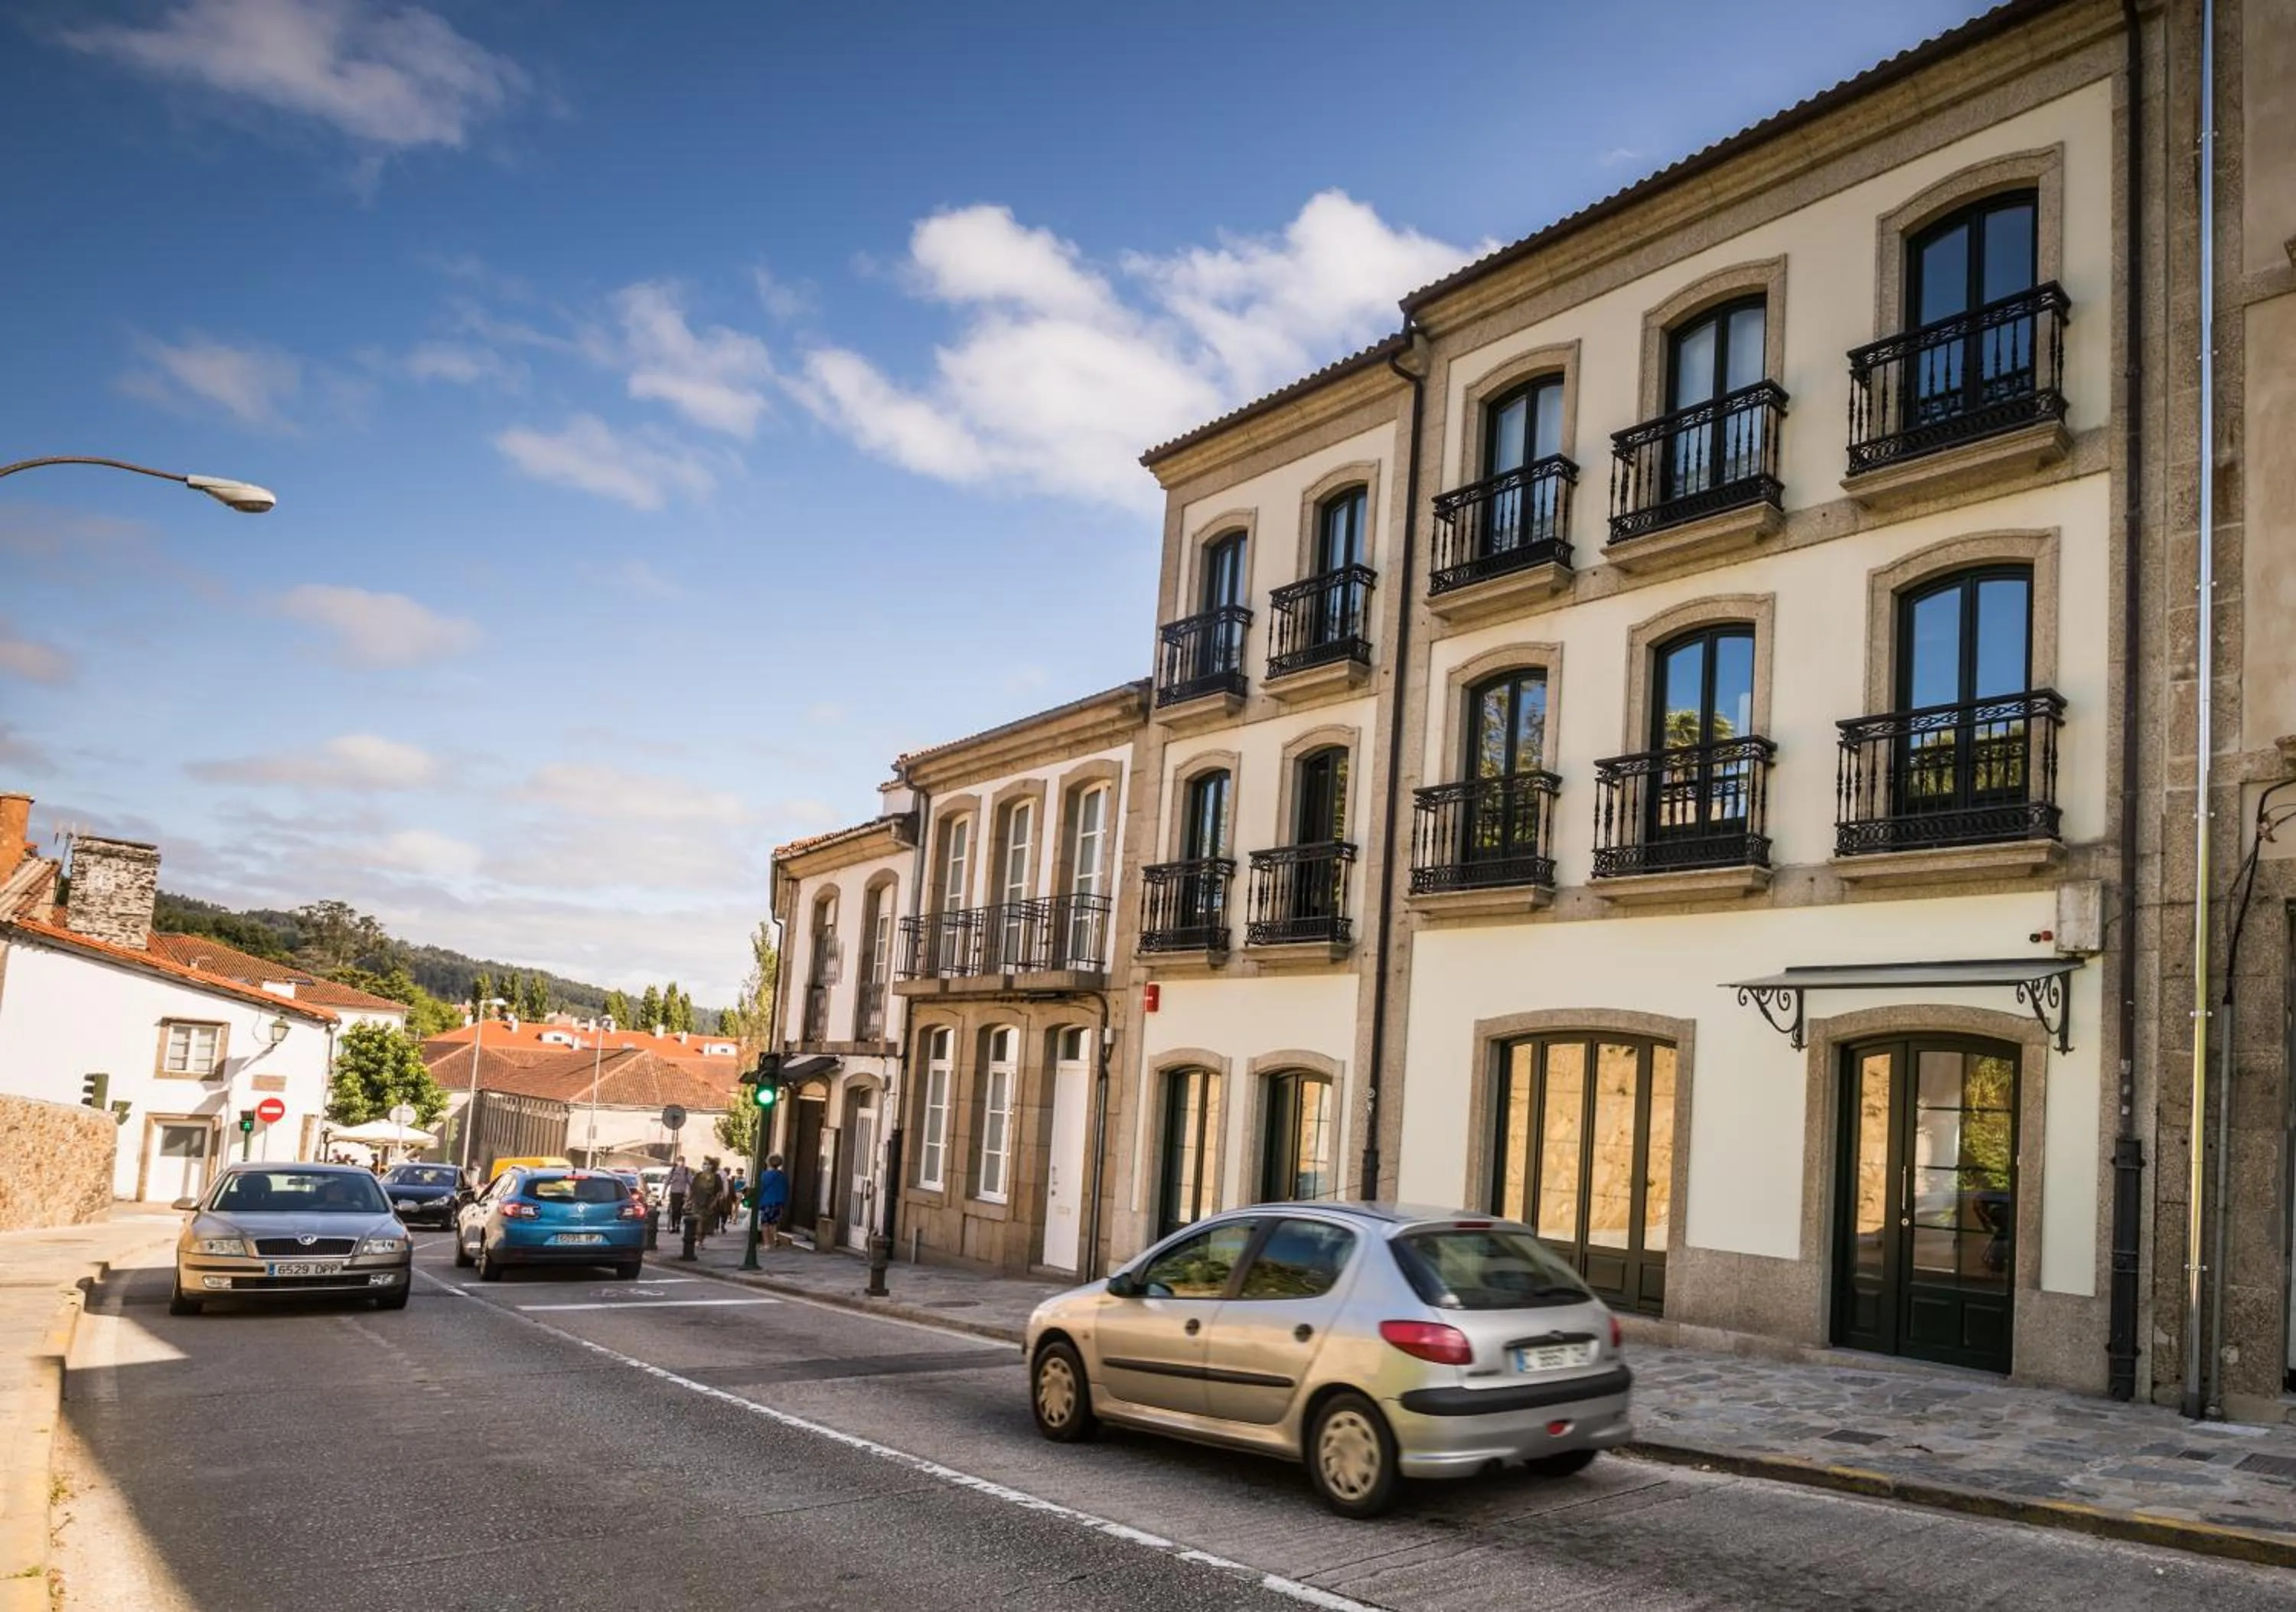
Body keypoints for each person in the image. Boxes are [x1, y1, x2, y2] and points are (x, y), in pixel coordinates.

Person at [688, 1156, 724, 1249]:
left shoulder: (716, 1177)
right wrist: (688, 1201)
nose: (705, 1166)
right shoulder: (698, 1176)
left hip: (709, 1203)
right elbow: (693, 1189)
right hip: (697, 1201)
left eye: (707, 1164)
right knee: (699, 1220)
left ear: (712, 1166)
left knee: (705, 1223)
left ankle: (701, 1240)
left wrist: (714, 1202)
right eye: (704, 1164)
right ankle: (698, 1240)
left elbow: (719, 1192)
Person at [756, 1154, 790, 1249]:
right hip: (779, 1202)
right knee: (774, 1223)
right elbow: (786, 1189)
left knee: (765, 1224)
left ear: (768, 1163)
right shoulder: (782, 1176)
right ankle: (775, 1239)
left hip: (767, 1202)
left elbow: (761, 1188)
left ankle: (767, 1244)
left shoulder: (765, 1175)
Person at [664, 1154, 692, 1230]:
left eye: (682, 1161)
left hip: (682, 1193)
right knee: (674, 1209)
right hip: (674, 1192)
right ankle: (673, 1225)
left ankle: (678, 1225)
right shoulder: (673, 1170)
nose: (681, 1163)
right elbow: (667, 1182)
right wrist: (664, 1192)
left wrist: (691, 1193)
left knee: (679, 1209)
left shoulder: (686, 1171)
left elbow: (691, 1182)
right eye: (680, 1161)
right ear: (677, 1162)